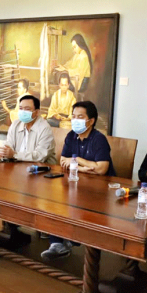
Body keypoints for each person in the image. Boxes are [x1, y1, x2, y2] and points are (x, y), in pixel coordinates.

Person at [41, 101, 115, 261]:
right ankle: (57, 243)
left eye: (80, 117)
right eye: (73, 116)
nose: (75, 120)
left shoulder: (99, 139)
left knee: (79, 207)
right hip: (76, 182)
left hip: (99, 190)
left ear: (91, 121)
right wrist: (84, 167)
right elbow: (63, 161)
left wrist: (77, 160)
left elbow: (101, 169)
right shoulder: (71, 136)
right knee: (56, 201)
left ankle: (70, 241)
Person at [0, 94, 57, 249]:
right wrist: (4, 151)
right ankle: (11, 228)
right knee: (4, 189)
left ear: (37, 112)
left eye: (27, 109)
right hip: (17, 170)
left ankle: (38, 225)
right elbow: (8, 146)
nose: (23, 112)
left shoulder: (44, 128)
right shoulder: (16, 124)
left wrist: (14, 155)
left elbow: (40, 155)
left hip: (41, 174)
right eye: (20, 108)